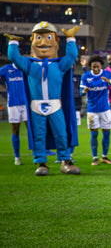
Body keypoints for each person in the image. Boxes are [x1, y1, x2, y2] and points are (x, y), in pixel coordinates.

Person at [5, 22, 80, 176]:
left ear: (56, 41)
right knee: (39, 134)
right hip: (36, 106)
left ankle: (65, 161)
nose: (43, 42)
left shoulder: (59, 65)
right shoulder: (28, 64)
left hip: (55, 105)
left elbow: (72, 56)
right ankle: (41, 163)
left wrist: (71, 38)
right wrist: (13, 42)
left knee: (61, 133)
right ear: (32, 41)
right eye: (38, 37)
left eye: (48, 37)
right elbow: (14, 57)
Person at [81, 55, 111, 165]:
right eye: (93, 67)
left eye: (97, 66)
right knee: (94, 135)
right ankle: (95, 158)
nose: (95, 69)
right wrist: (85, 90)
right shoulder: (86, 76)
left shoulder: (107, 74)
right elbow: (81, 92)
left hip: (105, 109)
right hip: (92, 110)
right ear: (90, 67)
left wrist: (109, 81)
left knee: (106, 134)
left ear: (101, 66)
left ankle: (104, 157)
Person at [0, 61, 27, 165]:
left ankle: (36, 155)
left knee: (30, 129)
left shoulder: (25, 66)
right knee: (15, 130)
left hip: (26, 103)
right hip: (13, 103)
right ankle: (17, 157)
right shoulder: (6, 69)